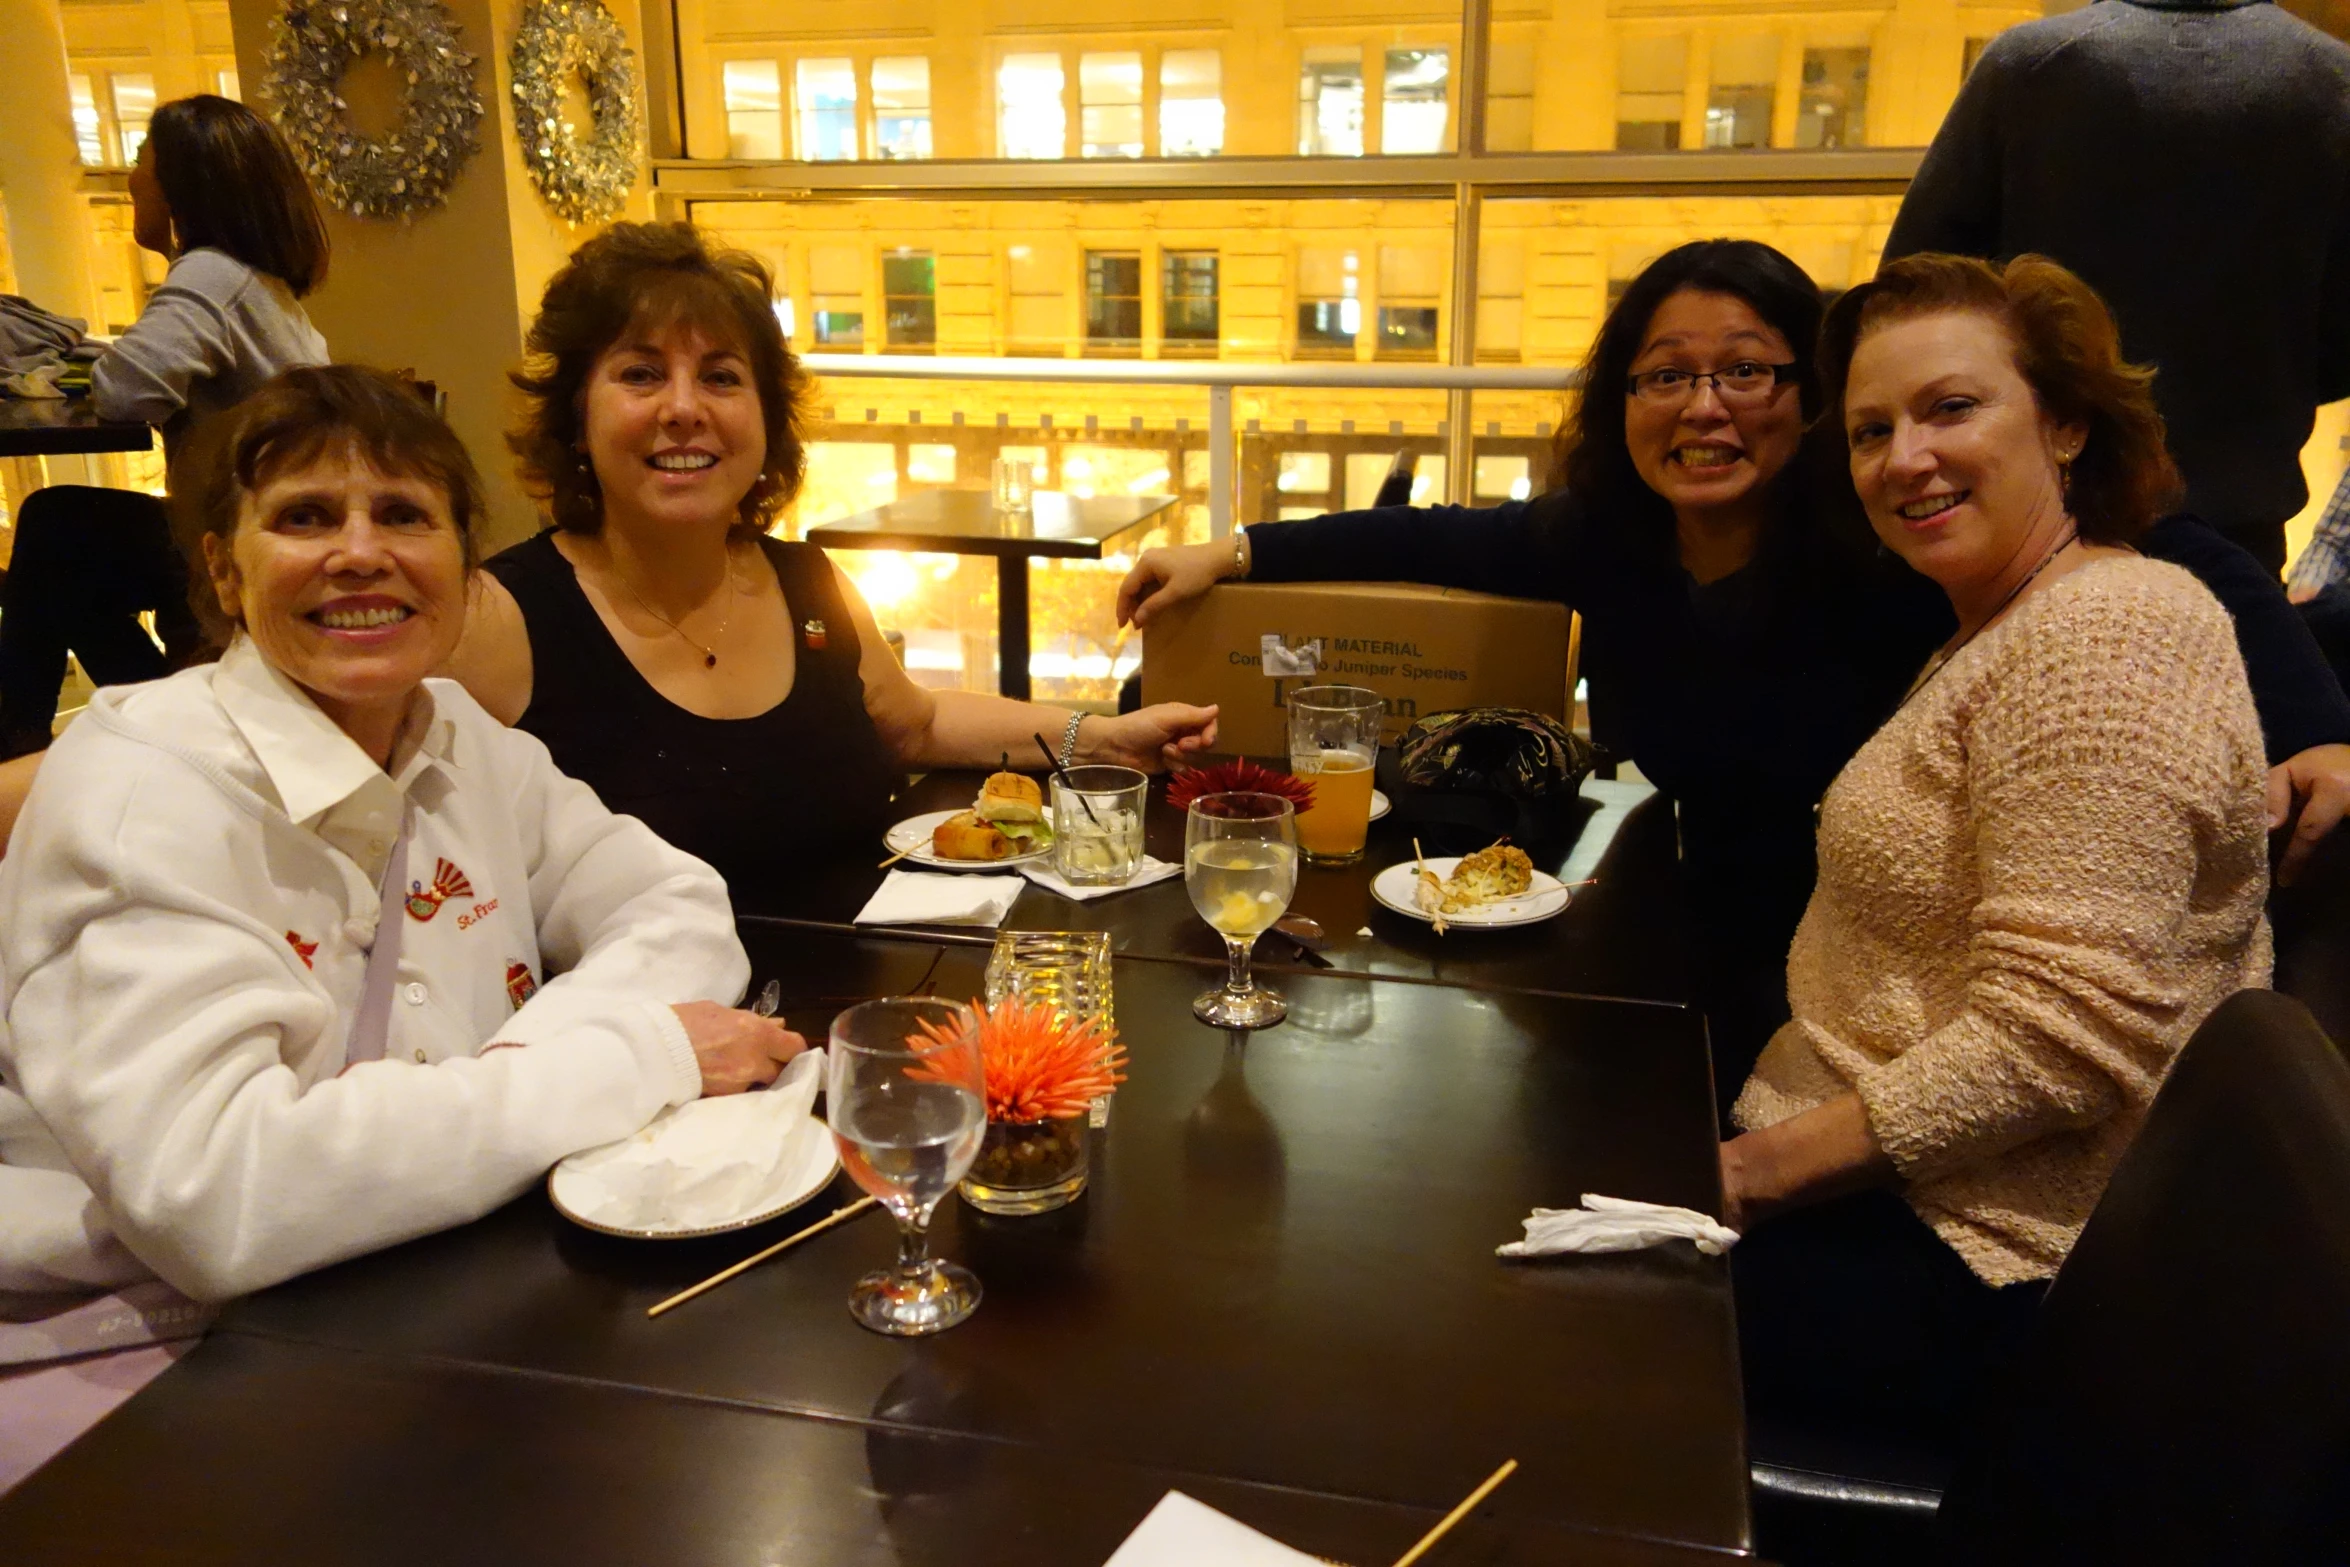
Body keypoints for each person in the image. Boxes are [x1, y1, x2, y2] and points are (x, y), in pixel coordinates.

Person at [1119, 238, 2350, 1112]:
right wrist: (1227, 550)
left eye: (1746, 369)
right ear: (1626, 400)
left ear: (1807, 400)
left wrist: (2320, 726)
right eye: (1664, 374)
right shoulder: (1610, 533)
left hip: (1872, 988)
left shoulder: (1889, 534)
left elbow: (2170, 548)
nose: (1702, 408)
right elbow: (1427, 531)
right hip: (1683, 928)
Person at [0, 365, 802, 1302]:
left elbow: (676, 902)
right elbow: (217, 1197)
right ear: (225, 568)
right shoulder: (147, 791)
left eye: (403, 515)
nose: (359, 553)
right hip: (130, 1343)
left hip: (425, 1269)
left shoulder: (457, 732)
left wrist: (521, 1077)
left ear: (466, 570)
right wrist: (627, 1063)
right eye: (304, 517)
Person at [1721, 252, 2271, 1447]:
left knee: (1531, 1321)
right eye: (1870, 430)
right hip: (1886, 1186)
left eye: (1950, 408)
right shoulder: (2004, 625)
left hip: (1980, 1252)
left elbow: (2053, 1043)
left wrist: (1746, 1173)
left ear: (2066, 422)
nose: (1901, 457)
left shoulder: (2109, 635)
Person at [441, 223, 1218, 906]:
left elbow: (916, 724)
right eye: (640, 374)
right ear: (576, 416)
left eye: (721, 376)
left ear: (765, 424)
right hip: (650, 1052)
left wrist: (1111, 739)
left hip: (859, 1022)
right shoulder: (495, 620)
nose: (684, 407)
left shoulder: (809, 583)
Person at [1882, 0, 2350, 577]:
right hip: (2239, 528)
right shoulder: (2335, 83)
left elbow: (1912, 298)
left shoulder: (2029, 67)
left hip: (2032, 517)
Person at [0, 95, 332, 759]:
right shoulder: (263, 285)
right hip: (265, 525)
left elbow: (124, 392)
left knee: (55, 527)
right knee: (64, 548)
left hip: (238, 540)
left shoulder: (209, 275)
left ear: (184, 185)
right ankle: (164, 730)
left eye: (142, 165)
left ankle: (28, 741)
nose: (129, 180)